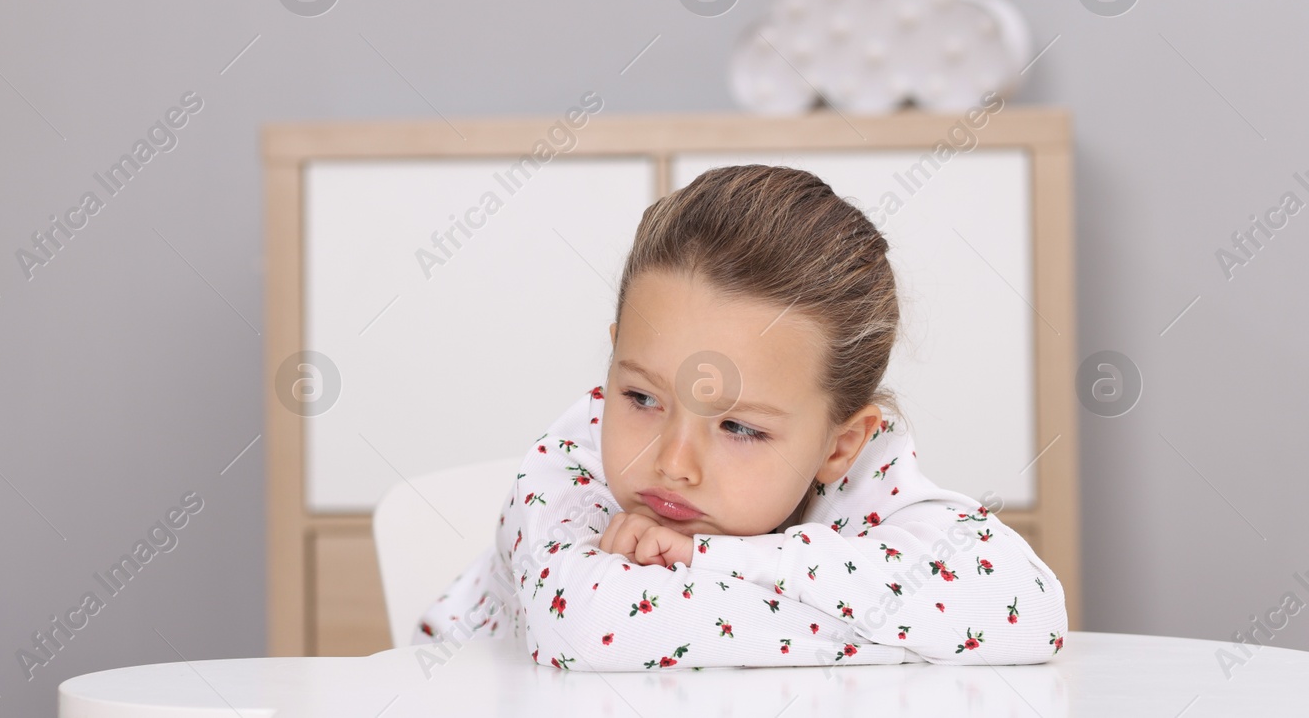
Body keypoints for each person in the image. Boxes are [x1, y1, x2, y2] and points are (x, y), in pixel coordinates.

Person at [411, 164, 1067, 671]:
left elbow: (1027, 607)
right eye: (641, 397)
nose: (671, 462)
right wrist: (898, 628)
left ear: (840, 445)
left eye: (739, 427)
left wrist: (711, 558)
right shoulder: (568, 462)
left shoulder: (864, 472)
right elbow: (591, 629)